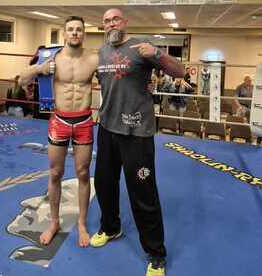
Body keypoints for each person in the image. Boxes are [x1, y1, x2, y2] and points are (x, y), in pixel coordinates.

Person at [89, 8, 184, 276]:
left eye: (115, 19)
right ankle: (111, 227)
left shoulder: (140, 46)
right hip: (107, 129)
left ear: (125, 22)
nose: (110, 23)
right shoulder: (100, 53)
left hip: (137, 133)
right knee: (104, 185)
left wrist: (157, 54)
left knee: (143, 192)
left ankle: (156, 254)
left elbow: (179, 72)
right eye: (106, 20)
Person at [19, 16, 98, 247]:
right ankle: (54, 221)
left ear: (84, 33)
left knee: (83, 173)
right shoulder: (50, 58)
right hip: (59, 121)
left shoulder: (93, 59)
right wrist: (40, 68)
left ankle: (82, 223)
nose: (75, 33)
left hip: (83, 121)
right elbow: (22, 78)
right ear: (64, 33)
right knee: (55, 173)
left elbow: (114, 79)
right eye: (71, 29)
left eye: (79, 30)